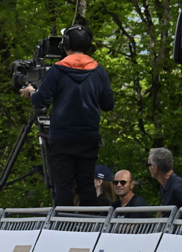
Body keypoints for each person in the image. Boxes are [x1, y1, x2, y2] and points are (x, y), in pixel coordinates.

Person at [20, 24, 114, 206]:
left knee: (63, 186)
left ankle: (62, 230)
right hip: (88, 138)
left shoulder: (57, 70)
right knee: (86, 185)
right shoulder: (99, 71)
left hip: (62, 138)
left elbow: (40, 101)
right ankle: (89, 230)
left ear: (66, 45)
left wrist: (32, 91)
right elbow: (108, 105)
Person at [147, 147, 182, 212]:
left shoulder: (178, 187)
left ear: (156, 168)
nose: (148, 168)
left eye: (148, 164)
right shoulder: (164, 185)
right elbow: (162, 210)